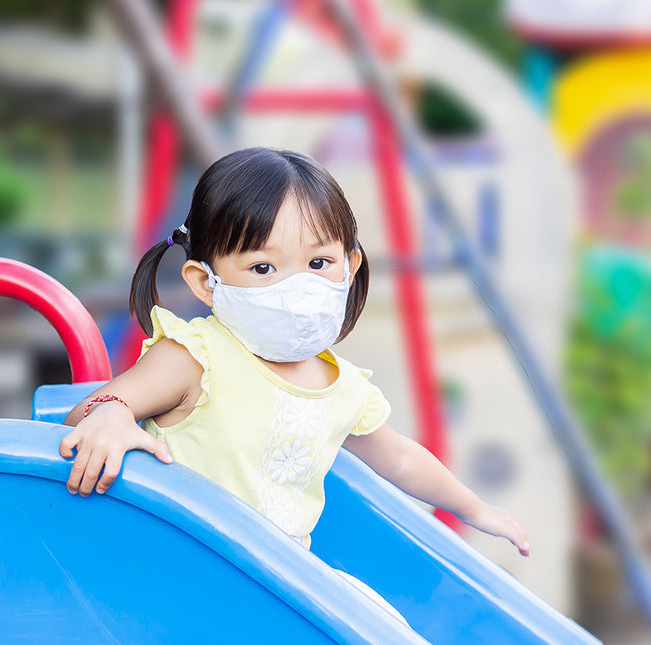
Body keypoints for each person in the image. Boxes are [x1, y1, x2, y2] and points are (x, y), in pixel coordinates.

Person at [58, 148, 529, 615]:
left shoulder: (344, 387)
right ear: (205, 282)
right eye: (263, 268)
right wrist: (113, 417)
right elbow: (87, 411)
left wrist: (473, 508)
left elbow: (402, 459)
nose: (298, 287)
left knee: (378, 618)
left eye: (319, 263)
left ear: (351, 265)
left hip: (281, 591)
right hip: (184, 584)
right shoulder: (197, 357)